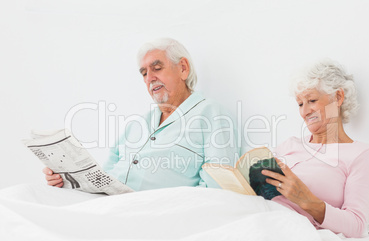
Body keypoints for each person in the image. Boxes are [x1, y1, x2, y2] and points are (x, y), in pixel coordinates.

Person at [44, 38, 239, 190]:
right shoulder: (136, 125)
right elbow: (105, 178)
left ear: (183, 68)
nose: (150, 78)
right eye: (144, 73)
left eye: (157, 68)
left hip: (156, 215)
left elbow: (217, 187)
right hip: (109, 205)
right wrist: (67, 180)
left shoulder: (212, 114)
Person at [264, 59, 369, 238]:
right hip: (260, 215)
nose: (304, 112)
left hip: (290, 231)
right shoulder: (290, 144)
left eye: (312, 100)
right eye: (300, 104)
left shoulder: (360, 155)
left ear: (338, 97)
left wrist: (307, 201)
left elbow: (356, 225)